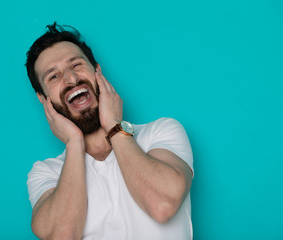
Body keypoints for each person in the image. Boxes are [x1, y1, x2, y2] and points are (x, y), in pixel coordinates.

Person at [25, 22, 194, 240]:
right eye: (53, 76)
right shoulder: (46, 173)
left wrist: (114, 124)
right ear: (43, 99)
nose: (71, 79)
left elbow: (162, 205)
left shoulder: (161, 132)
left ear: (97, 71)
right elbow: (62, 235)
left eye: (76, 65)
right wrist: (75, 142)